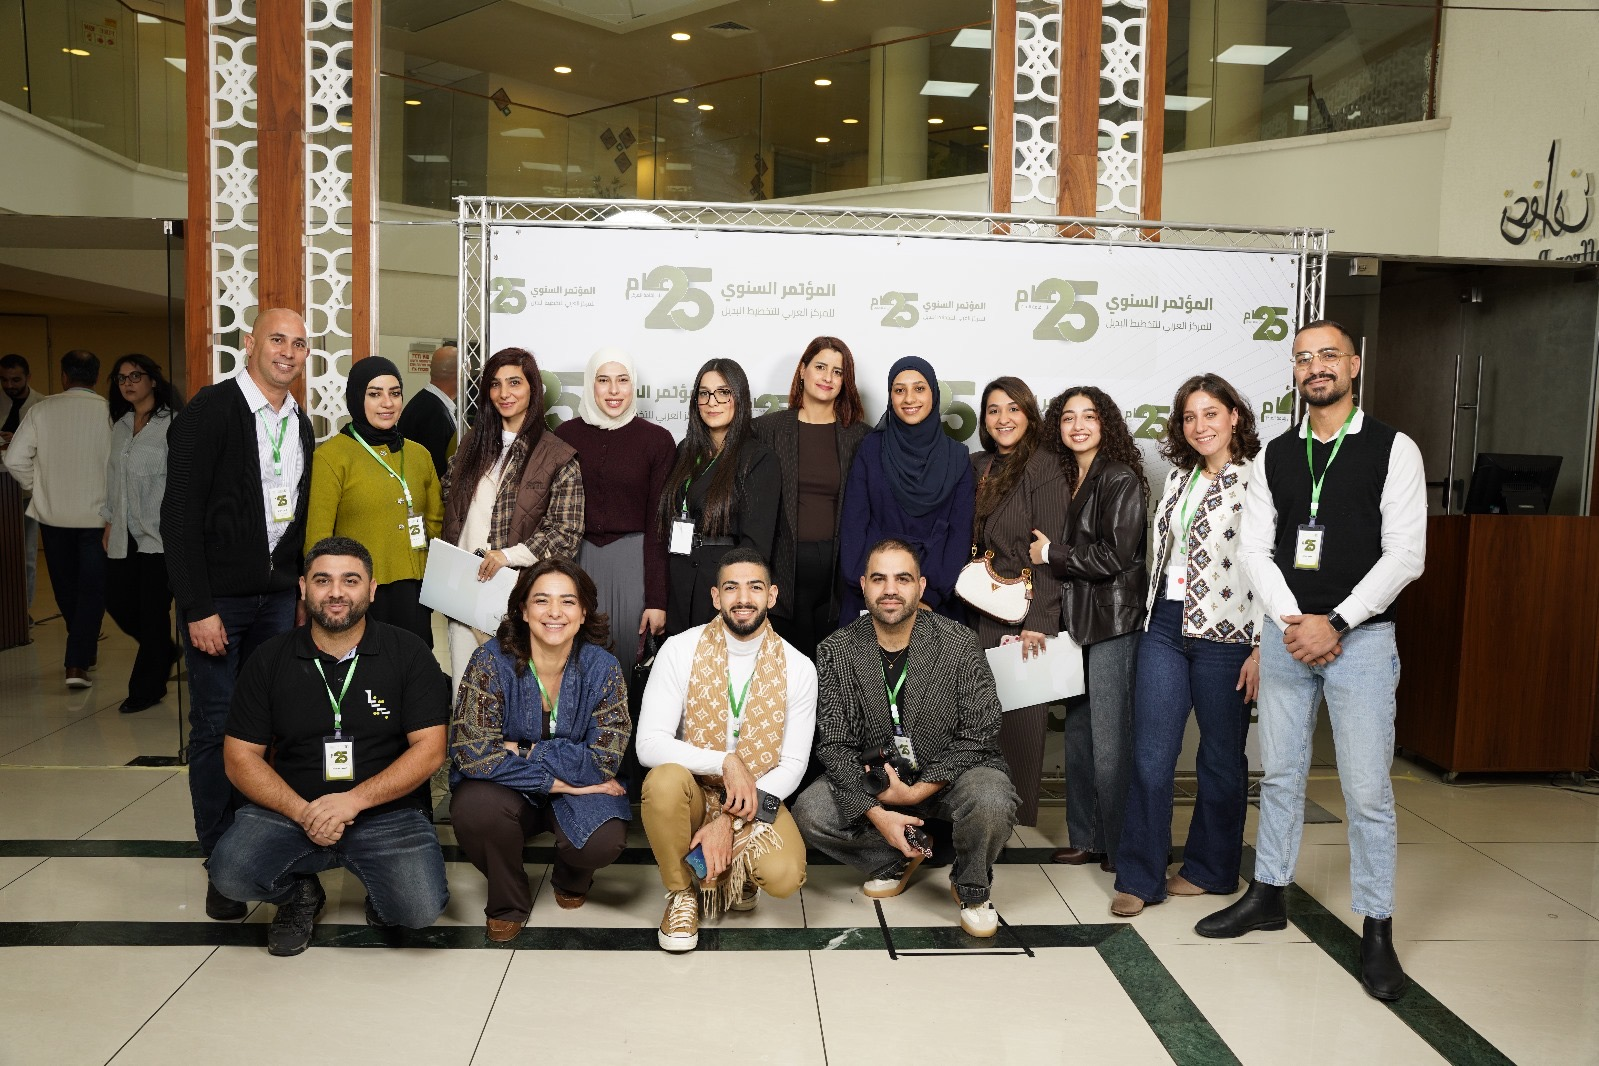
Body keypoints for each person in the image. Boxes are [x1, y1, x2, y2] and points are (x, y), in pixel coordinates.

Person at [1198, 321, 1426, 1003]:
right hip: (1289, 637)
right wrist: (1295, 623)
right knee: (1280, 775)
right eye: (1303, 358)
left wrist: (1338, 622)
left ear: (1353, 365)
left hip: (1362, 641)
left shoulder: (1393, 449)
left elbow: (1406, 555)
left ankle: (1377, 927)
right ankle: (1267, 893)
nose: (1315, 367)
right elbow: (1255, 550)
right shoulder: (1275, 454)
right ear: (1294, 372)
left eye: (1328, 356)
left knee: (1366, 792)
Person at [207, 537, 450, 957]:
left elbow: (430, 749)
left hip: (385, 811)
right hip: (291, 809)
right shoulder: (269, 658)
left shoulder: (408, 652)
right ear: (303, 588)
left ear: (371, 590)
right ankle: (299, 893)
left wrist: (353, 801)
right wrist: (304, 812)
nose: (336, 592)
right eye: (323, 580)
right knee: (229, 874)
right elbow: (238, 757)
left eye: (350, 580)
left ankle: (382, 891)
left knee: (418, 908)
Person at [162, 307, 315, 920]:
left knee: (265, 729)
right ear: (250, 342)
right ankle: (221, 863)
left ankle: (260, 846)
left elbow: (293, 517)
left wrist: (296, 594)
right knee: (216, 727)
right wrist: (197, 607)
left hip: (276, 601)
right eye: (277, 340)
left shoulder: (299, 422)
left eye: (298, 344)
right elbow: (178, 517)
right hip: (218, 604)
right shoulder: (211, 410)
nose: (287, 352)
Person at [794, 538, 1019, 938]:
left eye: (902, 579)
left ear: (920, 585)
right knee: (811, 812)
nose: (890, 590)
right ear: (864, 585)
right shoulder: (835, 650)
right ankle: (895, 857)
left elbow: (981, 728)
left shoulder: (958, 642)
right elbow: (835, 744)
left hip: (953, 775)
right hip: (879, 780)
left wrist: (917, 791)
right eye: (879, 579)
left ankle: (971, 885)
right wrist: (877, 813)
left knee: (992, 797)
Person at [1112, 374, 1262, 918]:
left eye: (1210, 414)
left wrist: (1262, 645)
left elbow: (1271, 563)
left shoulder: (1258, 479)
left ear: (1234, 417)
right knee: (1152, 755)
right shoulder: (1179, 477)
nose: (1200, 426)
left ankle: (1210, 869)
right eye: (1190, 417)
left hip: (1229, 631)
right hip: (1165, 624)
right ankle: (1139, 876)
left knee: (1220, 757)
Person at [636, 547, 816, 953]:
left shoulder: (799, 667)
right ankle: (681, 895)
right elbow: (648, 745)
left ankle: (741, 874)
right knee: (662, 781)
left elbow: (792, 765)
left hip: (757, 794)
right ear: (716, 597)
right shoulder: (680, 649)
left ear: (772, 596)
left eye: (755, 587)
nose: (743, 598)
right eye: (731, 588)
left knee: (786, 874)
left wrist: (730, 820)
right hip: (693, 790)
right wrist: (725, 762)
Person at [450, 558, 631, 941]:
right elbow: (471, 752)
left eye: (568, 601)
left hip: (556, 781)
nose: (554, 612)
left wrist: (522, 748)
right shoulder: (490, 662)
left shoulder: (603, 667)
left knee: (604, 837)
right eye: (541, 600)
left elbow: (603, 760)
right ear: (523, 609)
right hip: (511, 791)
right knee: (476, 808)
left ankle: (571, 876)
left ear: (584, 612)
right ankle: (507, 901)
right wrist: (559, 782)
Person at [1029, 385, 1148, 872]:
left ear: (1106, 424)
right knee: (1079, 736)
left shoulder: (1119, 477)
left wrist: (1051, 554)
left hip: (1113, 621)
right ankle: (1087, 837)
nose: (1078, 426)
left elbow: (1115, 555)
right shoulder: (1066, 478)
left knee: (1112, 740)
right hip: (1075, 622)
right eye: (1068, 417)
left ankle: (1121, 848)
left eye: (1089, 416)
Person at [441, 346, 583, 697]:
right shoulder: (471, 445)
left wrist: (508, 556)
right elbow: (449, 501)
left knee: (515, 694)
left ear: (533, 388)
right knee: (465, 693)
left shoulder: (557, 455)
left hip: (515, 595)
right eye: (495, 384)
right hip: (463, 590)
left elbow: (566, 533)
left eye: (515, 382)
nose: (504, 393)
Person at [966, 377, 1068, 826]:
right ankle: (977, 812)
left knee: (1020, 722)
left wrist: (1040, 621)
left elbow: (1049, 549)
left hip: (1021, 614)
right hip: (974, 609)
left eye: (1013, 409)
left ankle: (1011, 819)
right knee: (973, 720)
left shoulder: (1044, 468)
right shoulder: (978, 465)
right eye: (993, 410)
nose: (1003, 418)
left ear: (1029, 414)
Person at [553, 346, 675, 675]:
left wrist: (657, 600)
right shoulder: (565, 435)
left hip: (634, 566)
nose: (613, 390)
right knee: (572, 663)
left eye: (622, 380)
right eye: (603, 380)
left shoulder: (657, 440)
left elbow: (659, 525)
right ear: (590, 384)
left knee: (624, 663)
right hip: (576, 561)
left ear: (633, 384)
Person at [306, 356, 444, 647]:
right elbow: (318, 538)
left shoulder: (419, 455)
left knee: (412, 664)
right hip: (355, 592)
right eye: (375, 394)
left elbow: (435, 522)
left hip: (413, 591)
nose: (387, 403)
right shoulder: (332, 457)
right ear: (357, 398)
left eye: (395, 393)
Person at [750, 336, 871, 659]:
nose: (828, 377)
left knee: (831, 670)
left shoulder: (859, 436)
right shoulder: (767, 430)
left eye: (837, 372)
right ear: (802, 370)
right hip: (782, 573)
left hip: (838, 578)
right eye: (820, 367)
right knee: (786, 671)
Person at [4, 350, 111, 688]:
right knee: (92, 588)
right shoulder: (111, 412)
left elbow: (14, 460)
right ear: (96, 377)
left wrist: (39, 488)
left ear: (64, 376)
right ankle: (78, 661)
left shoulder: (41, 410)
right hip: (97, 517)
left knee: (66, 587)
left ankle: (80, 654)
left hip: (53, 516)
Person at [838, 356, 973, 624]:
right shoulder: (871, 449)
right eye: (900, 390)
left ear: (934, 394)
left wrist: (928, 596)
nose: (909, 398)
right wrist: (872, 585)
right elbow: (854, 523)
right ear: (891, 397)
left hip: (934, 598)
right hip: (873, 593)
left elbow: (959, 535)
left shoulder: (957, 457)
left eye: (919, 388)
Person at [657, 359, 778, 636]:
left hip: (721, 585)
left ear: (740, 398)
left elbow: (755, 546)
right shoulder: (686, 450)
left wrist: (734, 591)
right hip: (680, 579)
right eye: (704, 393)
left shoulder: (758, 459)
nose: (712, 402)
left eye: (723, 393)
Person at [100, 355, 183, 714]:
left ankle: (146, 689)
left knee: (152, 613)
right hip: (124, 533)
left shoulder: (172, 424)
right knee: (116, 600)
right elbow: (113, 479)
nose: (128, 383)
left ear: (152, 380)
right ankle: (164, 650)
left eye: (135, 376)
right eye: (121, 378)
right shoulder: (120, 425)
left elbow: (181, 481)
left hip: (159, 535)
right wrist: (109, 521)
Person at [0, 353, 44, 611]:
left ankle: (22, 611)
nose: (9, 385)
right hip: (2, 489)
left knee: (27, 555)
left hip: (27, 492)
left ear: (28, 377)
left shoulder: (41, 405)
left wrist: (18, 439)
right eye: (4, 380)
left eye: (15, 380)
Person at [396, 343, 458, 481]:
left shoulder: (425, 404)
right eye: (467, 372)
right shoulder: (434, 414)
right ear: (460, 374)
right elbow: (436, 472)